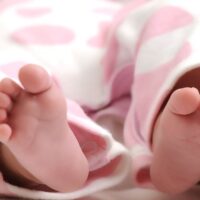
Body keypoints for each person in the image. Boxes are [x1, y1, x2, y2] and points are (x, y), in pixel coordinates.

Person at [0, 0, 200, 199]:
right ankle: (44, 158)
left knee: (178, 11)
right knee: (10, 98)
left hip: (118, 45)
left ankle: (179, 127)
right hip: (21, 61)